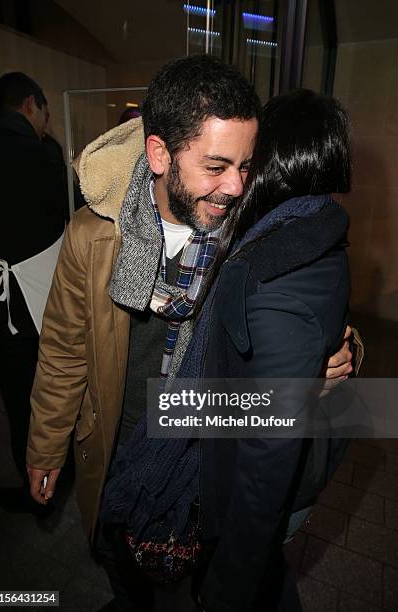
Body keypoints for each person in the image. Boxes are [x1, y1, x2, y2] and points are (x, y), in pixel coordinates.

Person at [26, 57, 353, 611]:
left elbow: (318, 310)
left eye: (248, 165)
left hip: (205, 454)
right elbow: (62, 352)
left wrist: (339, 357)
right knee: (122, 571)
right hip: (115, 445)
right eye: (217, 166)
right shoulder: (91, 237)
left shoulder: (254, 231)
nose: (236, 187)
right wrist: (44, 445)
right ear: (159, 154)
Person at [179, 89, 353, 611]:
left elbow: (267, 455)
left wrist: (227, 584)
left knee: (256, 584)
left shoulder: (275, 265)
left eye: (248, 159)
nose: (236, 178)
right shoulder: (316, 225)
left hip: (258, 487)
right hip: (274, 458)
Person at [0, 72, 67, 513]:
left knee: (18, 400)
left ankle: (31, 485)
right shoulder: (40, 158)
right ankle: (54, 478)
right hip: (40, 301)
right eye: (45, 112)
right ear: (30, 105)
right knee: (49, 391)